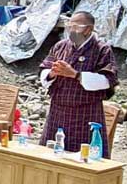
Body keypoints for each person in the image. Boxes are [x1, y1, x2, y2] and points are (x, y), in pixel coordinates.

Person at [39, 11, 118, 157]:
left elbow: (107, 80)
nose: (71, 30)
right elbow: (44, 70)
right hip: (58, 110)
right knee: (51, 155)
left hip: (86, 113)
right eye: (70, 25)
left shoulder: (102, 49)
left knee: (84, 159)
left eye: (76, 26)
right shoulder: (60, 46)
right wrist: (52, 73)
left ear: (88, 29)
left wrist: (75, 74)